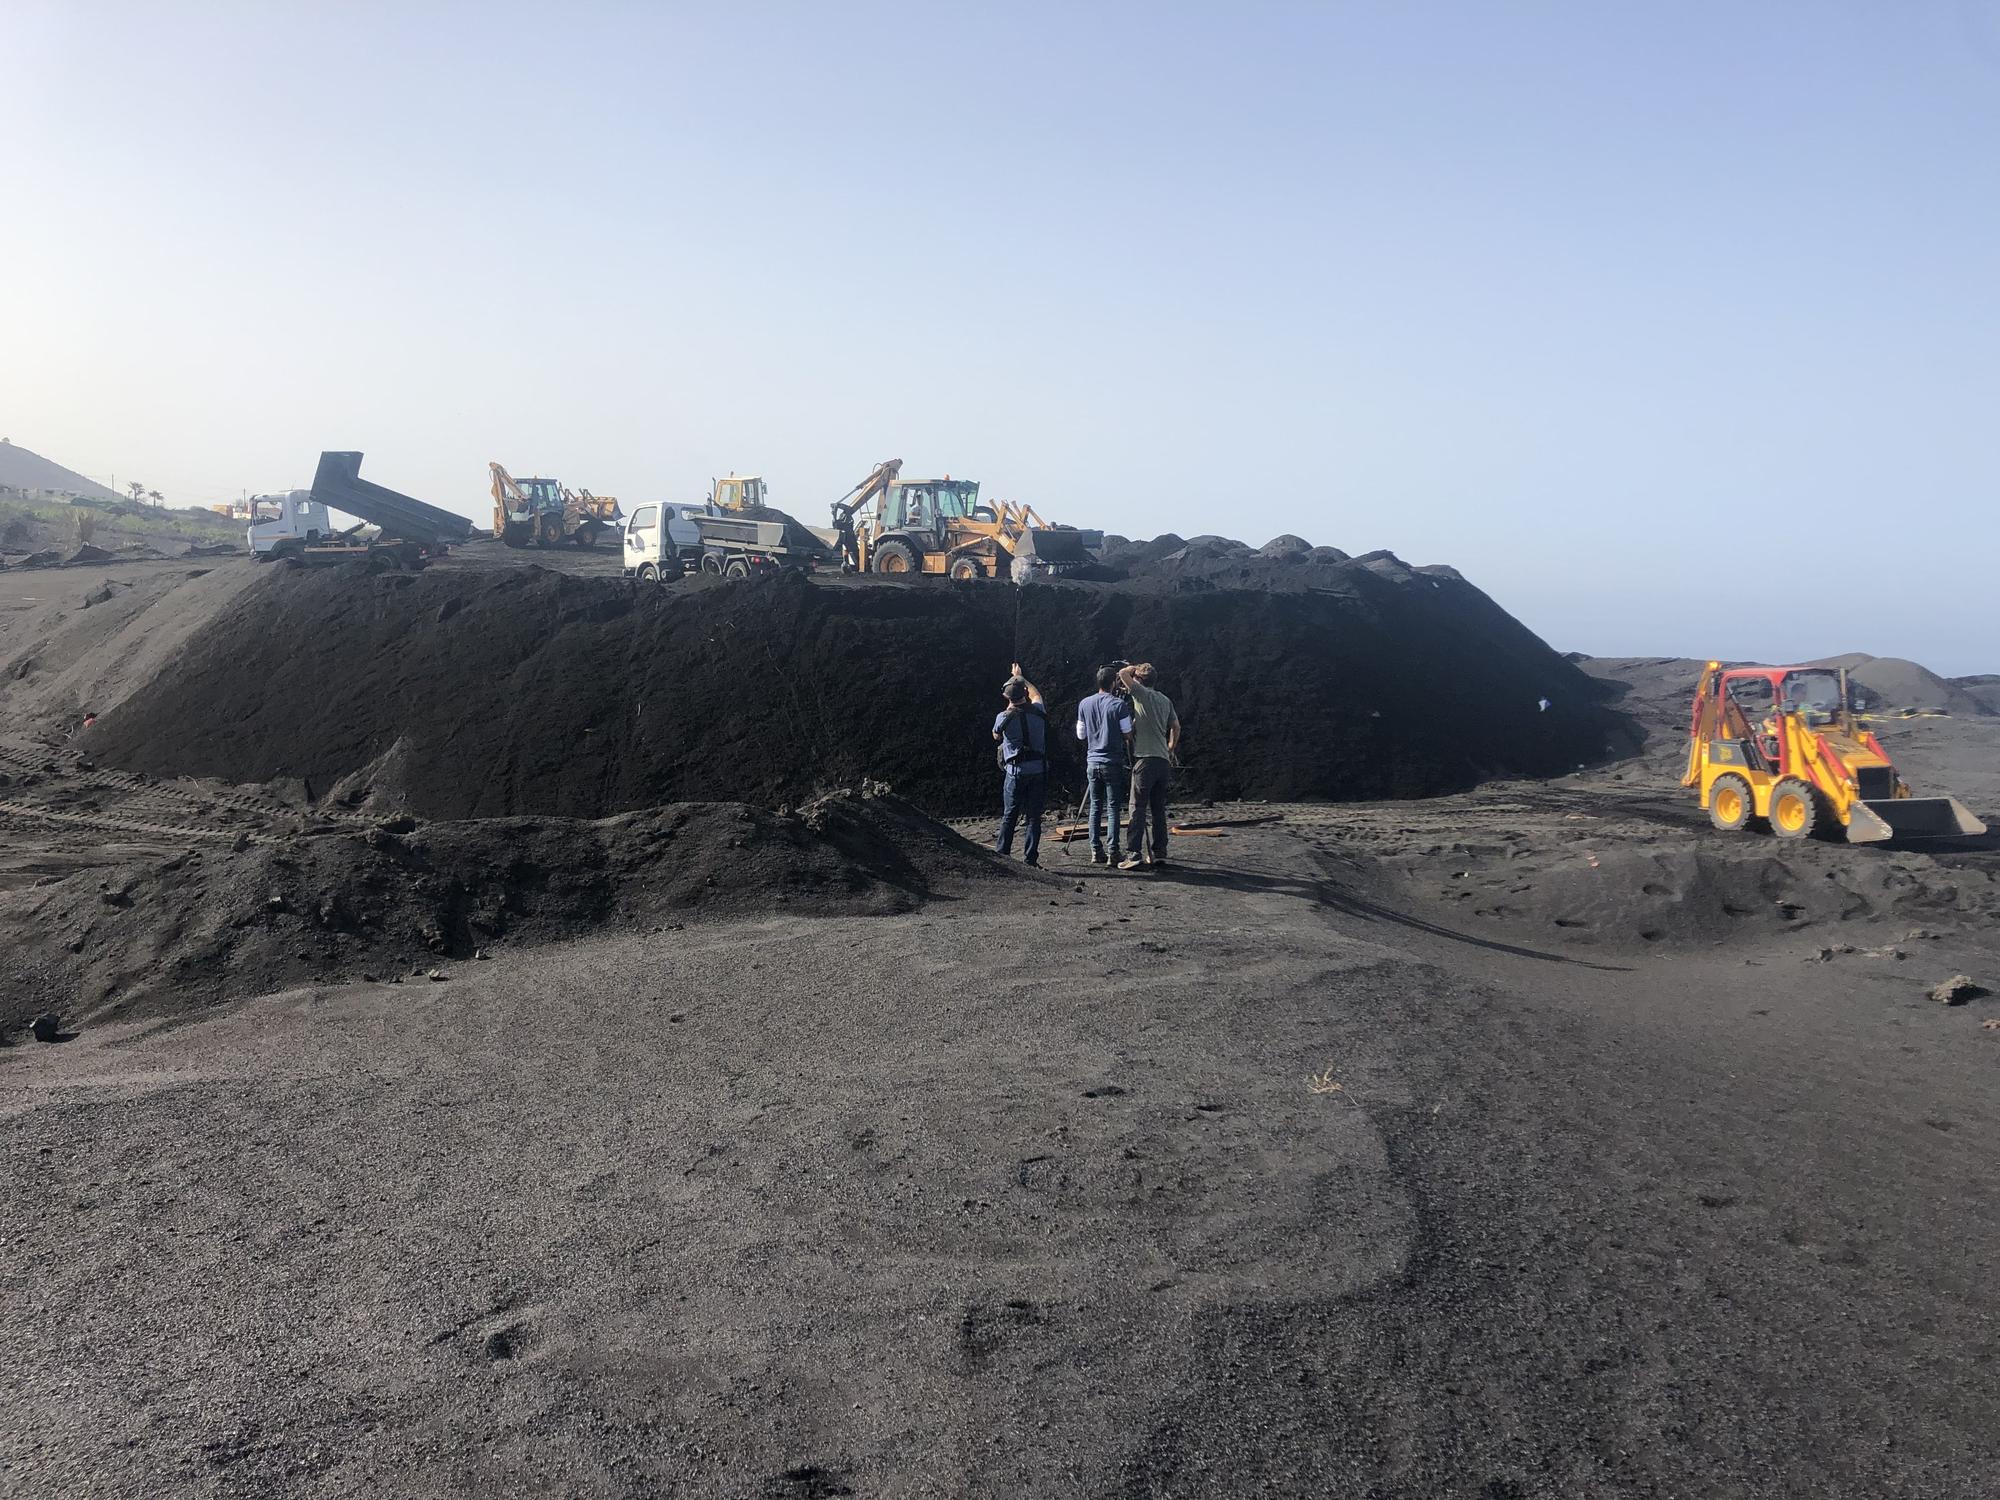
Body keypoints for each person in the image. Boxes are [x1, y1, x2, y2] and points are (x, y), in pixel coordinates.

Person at [1118, 662, 1181, 870]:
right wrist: (1170, 747)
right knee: (1158, 809)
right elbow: (1175, 726)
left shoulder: (1141, 694)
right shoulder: (1165, 700)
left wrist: (1131, 667)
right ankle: (1160, 852)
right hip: (1163, 760)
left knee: (1137, 808)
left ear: (1139, 681)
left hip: (1145, 760)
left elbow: (1121, 674)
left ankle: (1134, 853)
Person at [1075, 664, 1134, 865]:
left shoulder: (1084, 703)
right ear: (1113, 683)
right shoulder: (1119, 705)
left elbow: (1081, 735)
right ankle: (1113, 851)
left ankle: (1095, 850)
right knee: (1113, 808)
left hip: (1092, 761)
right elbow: (1127, 735)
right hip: (1112, 762)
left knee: (1095, 808)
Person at [991, 663, 1049, 866]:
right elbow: (1036, 695)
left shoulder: (1003, 717)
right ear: (1024, 692)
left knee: (1009, 814)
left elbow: (996, 735)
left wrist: (1011, 701)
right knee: (1034, 817)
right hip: (1037, 770)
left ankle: (1003, 856)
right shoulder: (1039, 711)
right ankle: (1030, 859)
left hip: (1015, 772)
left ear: (1007, 698)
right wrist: (1021, 678)